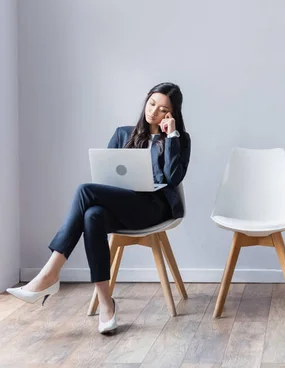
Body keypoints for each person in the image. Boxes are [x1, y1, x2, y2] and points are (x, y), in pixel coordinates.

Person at [7, 82, 191, 334]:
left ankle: (49, 274)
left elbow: (173, 178)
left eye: (162, 109)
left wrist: (170, 136)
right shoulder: (123, 134)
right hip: (123, 206)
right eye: (151, 104)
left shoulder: (179, 139)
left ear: (171, 113)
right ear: (146, 100)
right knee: (93, 215)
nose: (153, 112)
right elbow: (105, 177)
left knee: (85, 190)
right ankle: (107, 305)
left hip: (154, 209)